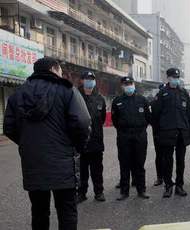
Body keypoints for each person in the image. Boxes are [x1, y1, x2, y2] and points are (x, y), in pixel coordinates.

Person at [4, 57, 91, 230]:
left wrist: (27, 144)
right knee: (66, 211)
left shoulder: (18, 94)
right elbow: (82, 122)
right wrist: (76, 146)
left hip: (33, 163)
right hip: (63, 163)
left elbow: (9, 127)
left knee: (39, 212)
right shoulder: (67, 90)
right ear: (53, 69)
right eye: (60, 70)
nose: (61, 74)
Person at [152, 68, 190, 198]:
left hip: (181, 132)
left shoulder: (184, 93)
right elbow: (155, 115)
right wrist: (158, 132)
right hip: (167, 132)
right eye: (173, 77)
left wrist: (188, 131)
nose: (176, 79)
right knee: (167, 160)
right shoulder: (162, 93)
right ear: (168, 78)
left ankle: (179, 185)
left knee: (181, 161)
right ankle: (168, 186)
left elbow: (189, 113)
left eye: (177, 77)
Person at [111, 76, 151, 201]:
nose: (128, 86)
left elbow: (148, 117)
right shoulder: (117, 101)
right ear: (122, 86)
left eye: (130, 83)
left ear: (134, 84)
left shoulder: (142, 100)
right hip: (124, 136)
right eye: (126, 84)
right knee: (124, 164)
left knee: (139, 164)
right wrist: (123, 130)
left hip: (140, 135)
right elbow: (114, 120)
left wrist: (140, 129)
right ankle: (124, 191)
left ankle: (141, 190)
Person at [77, 71, 106, 203]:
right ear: (82, 81)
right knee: (81, 170)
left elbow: (103, 119)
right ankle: (81, 193)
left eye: (92, 79)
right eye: (87, 79)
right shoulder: (75, 96)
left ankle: (99, 192)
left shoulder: (100, 98)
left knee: (97, 169)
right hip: (80, 141)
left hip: (96, 141)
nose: (90, 81)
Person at [152, 83, 166, 186]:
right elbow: (152, 118)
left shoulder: (169, 103)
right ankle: (159, 177)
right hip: (158, 132)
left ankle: (168, 176)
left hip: (168, 132)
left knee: (168, 156)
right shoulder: (154, 103)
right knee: (159, 155)